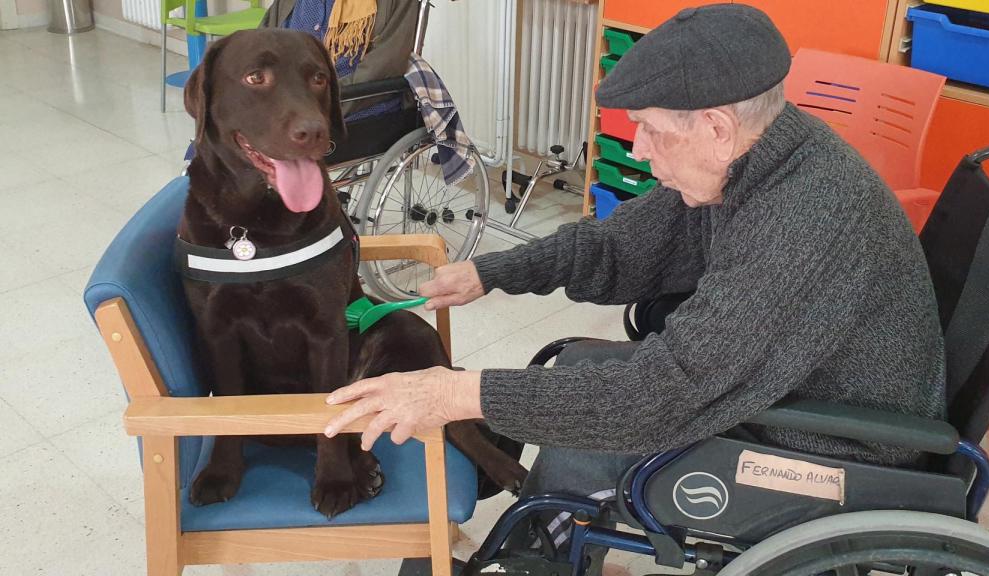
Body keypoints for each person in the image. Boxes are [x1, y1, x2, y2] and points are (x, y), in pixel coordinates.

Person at [323, 1, 946, 558]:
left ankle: (538, 547)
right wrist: (493, 271)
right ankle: (544, 538)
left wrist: (456, 395)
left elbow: (663, 393)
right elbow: (620, 244)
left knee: (586, 443)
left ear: (716, 127)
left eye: (650, 129)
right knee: (569, 370)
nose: (639, 149)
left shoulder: (803, 217)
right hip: (785, 385)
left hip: (839, 445)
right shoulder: (761, 152)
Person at [260, 0, 419, 117]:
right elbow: (262, 43)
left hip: (351, 102)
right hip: (286, 100)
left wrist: (322, 101)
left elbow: (386, 64)